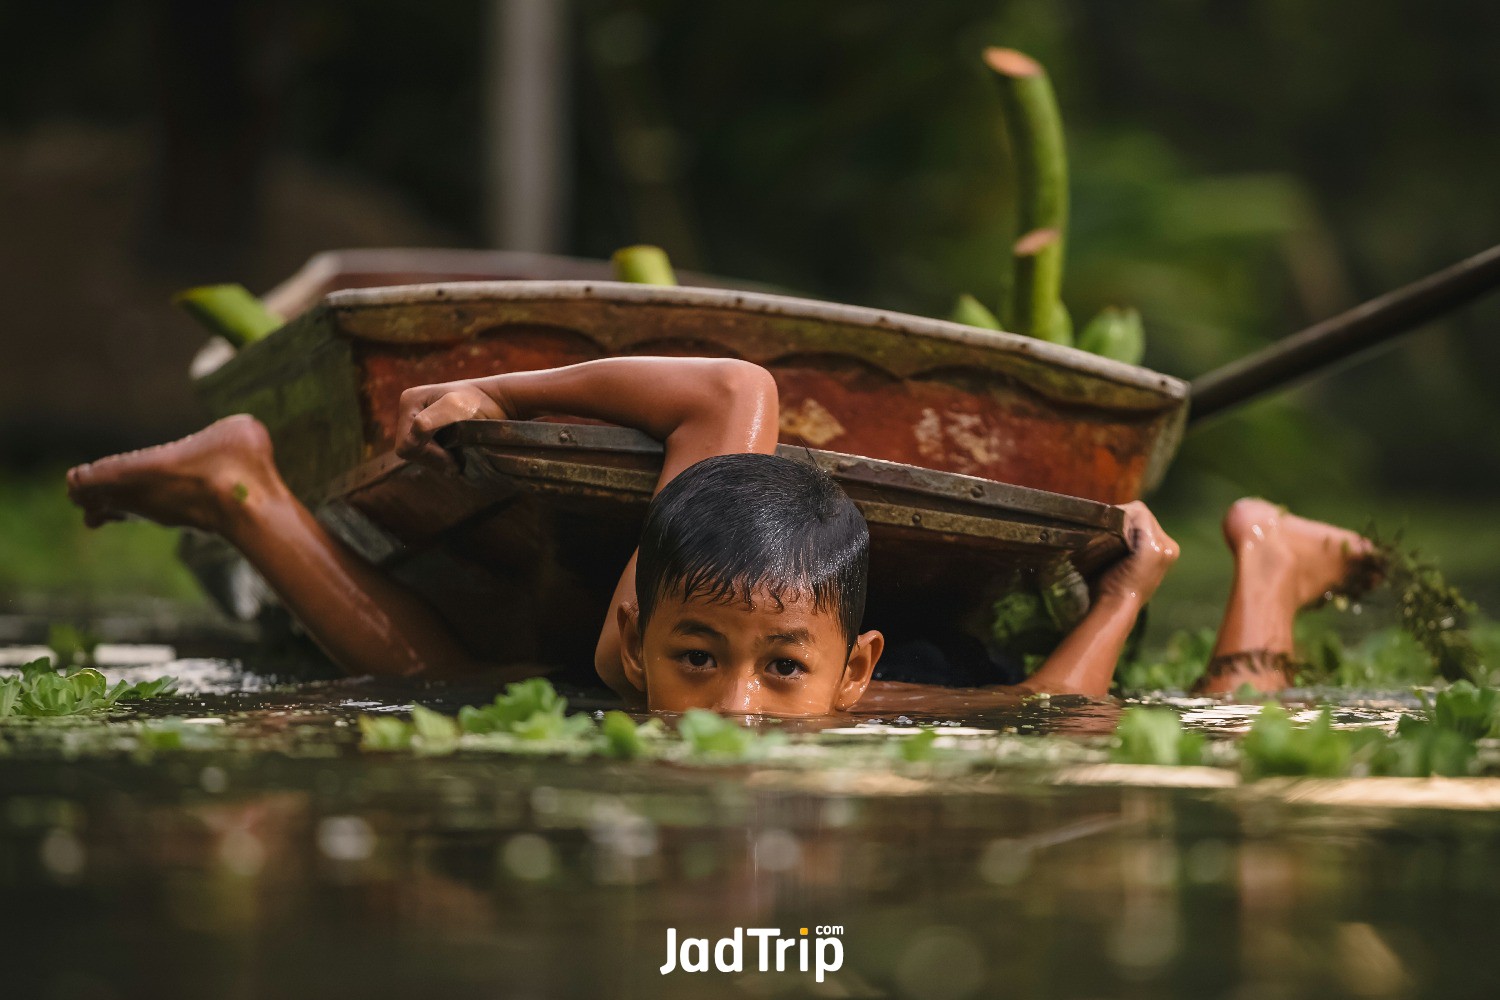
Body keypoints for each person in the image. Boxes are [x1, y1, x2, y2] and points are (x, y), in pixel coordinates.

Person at [65, 357, 1375, 716]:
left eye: (779, 675)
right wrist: (497, 395)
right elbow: (731, 388)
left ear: (850, 671)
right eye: (697, 662)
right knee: (459, 687)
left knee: (1234, 738)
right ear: (636, 629)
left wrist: (1133, 585)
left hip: (888, 635)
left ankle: (1270, 557)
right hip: (647, 617)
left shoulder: (864, 704)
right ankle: (244, 487)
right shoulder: (648, 612)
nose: (729, 712)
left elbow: (1052, 710)